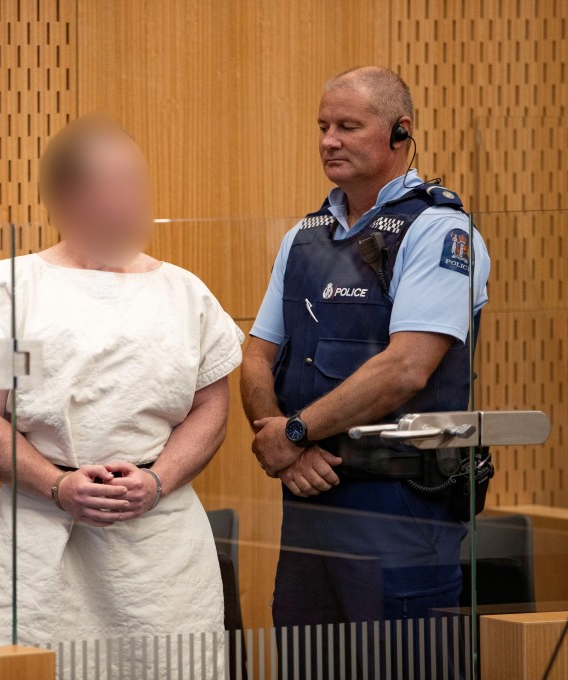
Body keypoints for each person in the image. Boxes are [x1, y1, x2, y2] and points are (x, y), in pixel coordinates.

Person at [0, 116, 243, 677]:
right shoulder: (19, 295)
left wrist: (158, 479)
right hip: (41, 527)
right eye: (112, 183)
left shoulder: (183, 296)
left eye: (136, 183)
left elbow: (210, 411)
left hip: (160, 542)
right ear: (69, 195)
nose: (130, 199)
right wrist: (57, 485)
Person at [241, 67, 490, 673]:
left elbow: (405, 368)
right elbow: (255, 355)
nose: (329, 139)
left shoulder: (437, 229)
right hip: (310, 498)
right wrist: (280, 439)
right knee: (305, 660)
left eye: (348, 126)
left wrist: (295, 433)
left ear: (400, 133)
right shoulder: (305, 235)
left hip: (398, 504)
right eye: (323, 126)